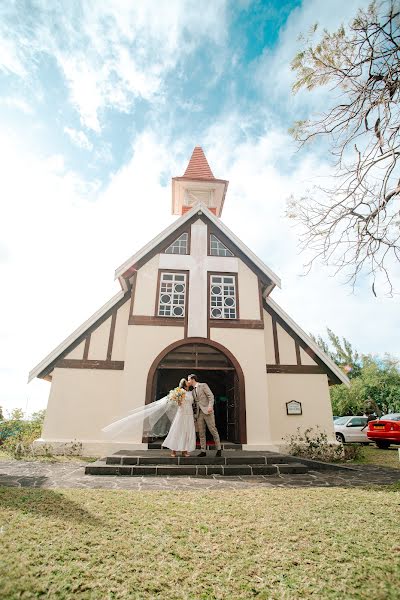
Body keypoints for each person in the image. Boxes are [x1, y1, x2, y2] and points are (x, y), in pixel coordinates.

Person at [188, 374, 222, 457]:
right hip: (199, 414)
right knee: (201, 433)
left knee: (213, 430)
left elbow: (211, 396)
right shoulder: (192, 391)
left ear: (192, 379)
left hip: (208, 411)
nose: (188, 381)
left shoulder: (203, 385)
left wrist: (210, 406)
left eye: (188, 379)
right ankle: (203, 450)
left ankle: (219, 449)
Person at [162, 379, 196, 457]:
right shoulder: (179, 391)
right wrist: (178, 401)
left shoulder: (191, 393)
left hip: (189, 414)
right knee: (178, 430)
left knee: (187, 431)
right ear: (184, 384)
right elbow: (176, 402)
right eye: (187, 381)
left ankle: (185, 451)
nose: (188, 382)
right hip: (182, 413)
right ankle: (173, 451)